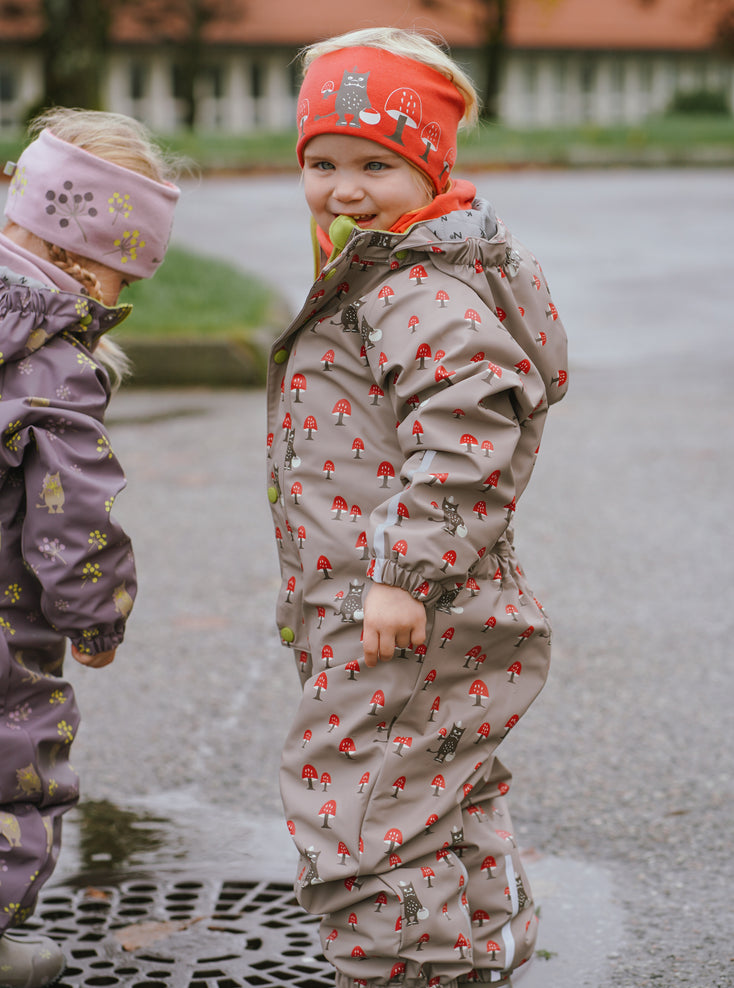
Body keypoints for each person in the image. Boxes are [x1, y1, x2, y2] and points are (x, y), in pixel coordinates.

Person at [267, 27, 568, 988]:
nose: (343, 189)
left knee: (359, 808)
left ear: (429, 165)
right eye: (322, 163)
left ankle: (408, 972)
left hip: (404, 605)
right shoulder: (391, 268)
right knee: (437, 780)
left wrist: (399, 577)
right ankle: (483, 939)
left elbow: (467, 438)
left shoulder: (418, 286)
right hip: (419, 597)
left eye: (375, 165)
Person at [0, 108, 179, 988]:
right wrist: (98, 619)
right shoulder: (54, 370)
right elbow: (73, 518)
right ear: (87, 262)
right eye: (126, 278)